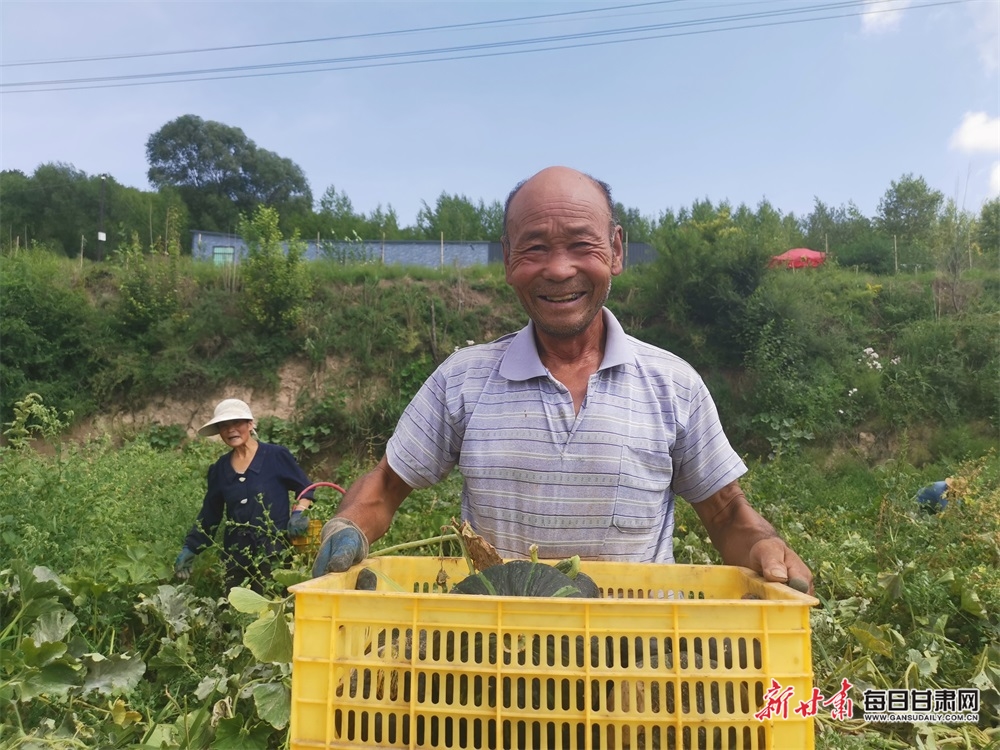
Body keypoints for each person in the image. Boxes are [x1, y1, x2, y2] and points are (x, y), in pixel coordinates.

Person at [312, 166, 813, 593]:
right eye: (533, 249)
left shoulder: (672, 385)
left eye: (581, 244)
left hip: (633, 662)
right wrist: (349, 525)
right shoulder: (463, 380)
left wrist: (765, 545)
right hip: (496, 657)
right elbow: (384, 485)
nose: (558, 269)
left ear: (616, 250)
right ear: (508, 259)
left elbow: (727, 516)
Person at [174, 398, 315, 592]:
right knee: (234, 611)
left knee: (273, 606)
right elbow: (210, 514)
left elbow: (306, 487)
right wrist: (191, 547)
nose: (231, 429)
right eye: (224, 426)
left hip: (275, 554)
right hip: (236, 557)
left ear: (250, 424)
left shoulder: (275, 456)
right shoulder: (220, 469)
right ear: (219, 432)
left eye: (237, 423)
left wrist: (299, 512)